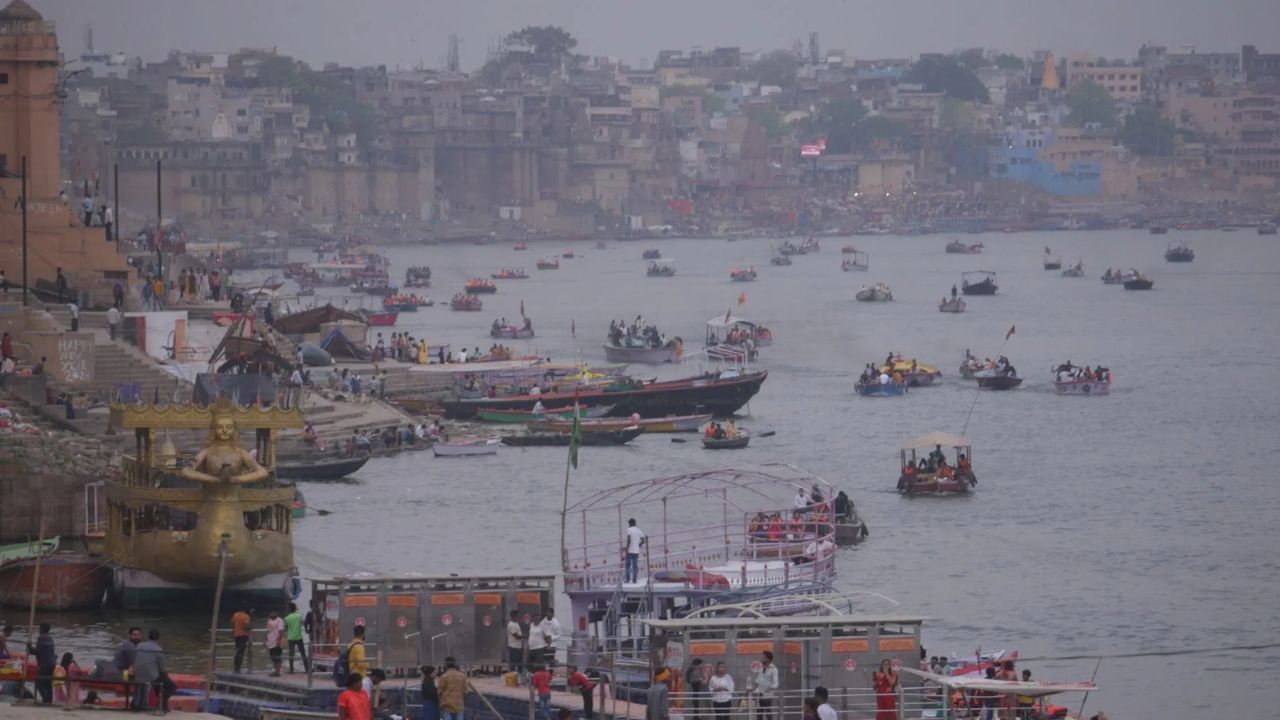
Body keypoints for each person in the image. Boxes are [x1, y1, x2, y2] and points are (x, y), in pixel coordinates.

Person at [134, 628, 175, 713]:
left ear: (148, 636)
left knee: (159, 682)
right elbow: (162, 668)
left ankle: (162, 705)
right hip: (151, 676)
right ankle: (161, 704)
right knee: (171, 686)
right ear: (158, 637)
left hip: (137, 675)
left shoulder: (139, 645)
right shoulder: (158, 650)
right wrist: (166, 675)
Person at [30, 622, 56, 704]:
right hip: (52, 664)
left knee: (38, 683)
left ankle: (46, 699)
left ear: (43, 629)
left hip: (44, 664)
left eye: (40, 628)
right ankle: (49, 700)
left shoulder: (41, 638)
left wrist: (29, 648)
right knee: (48, 683)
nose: (39, 630)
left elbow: (37, 651)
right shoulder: (50, 638)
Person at [753, 650, 779, 720]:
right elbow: (758, 680)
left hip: (768, 694)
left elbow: (776, 684)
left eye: (763, 657)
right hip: (759, 694)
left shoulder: (774, 669)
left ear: (768, 659)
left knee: (768, 712)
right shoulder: (761, 668)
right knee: (759, 713)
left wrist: (768, 688)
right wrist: (755, 688)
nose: (762, 659)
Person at [624, 518, 645, 584]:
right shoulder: (639, 530)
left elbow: (629, 540)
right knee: (635, 566)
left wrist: (626, 549)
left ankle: (627, 580)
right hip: (636, 551)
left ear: (630, 523)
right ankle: (634, 580)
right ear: (635, 523)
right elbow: (643, 540)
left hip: (630, 551)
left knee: (627, 566)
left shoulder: (629, 530)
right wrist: (639, 544)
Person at [231, 607, 252, 672]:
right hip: (243, 635)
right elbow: (246, 626)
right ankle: (238, 669)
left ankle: (235, 668)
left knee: (237, 651)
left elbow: (232, 622)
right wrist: (250, 626)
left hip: (236, 635)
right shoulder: (246, 616)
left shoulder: (235, 615)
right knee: (241, 652)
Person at [265, 610, 285, 676]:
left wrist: (279, 640)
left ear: (276, 613)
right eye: (270, 613)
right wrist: (265, 640)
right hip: (270, 642)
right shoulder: (269, 620)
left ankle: (278, 672)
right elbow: (268, 631)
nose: (271, 614)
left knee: (277, 656)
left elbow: (281, 631)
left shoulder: (280, 620)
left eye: (273, 613)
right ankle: (275, 671)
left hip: (276, 641)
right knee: (273, 657)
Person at [506, 610, 525, 676]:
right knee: (513, 664)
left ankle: (520, 676)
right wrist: (525, 636)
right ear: (512, 616)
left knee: (520, 664)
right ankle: (513, 676)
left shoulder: (516, 623)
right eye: (515, 615)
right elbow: (516, 636)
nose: (517, 616)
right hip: (514, 647)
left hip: (518, 647)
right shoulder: (511, 624)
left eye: (517, 615)